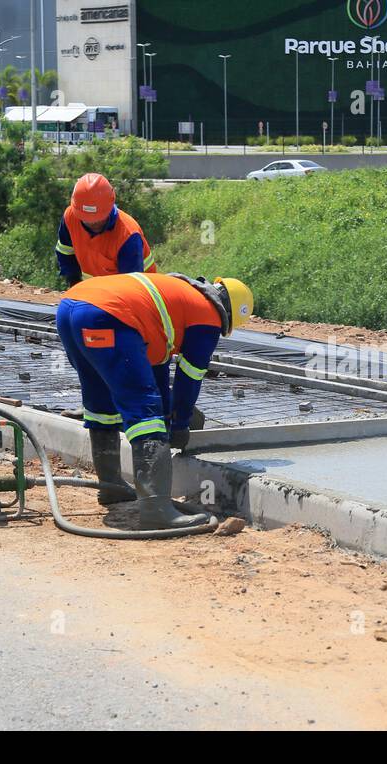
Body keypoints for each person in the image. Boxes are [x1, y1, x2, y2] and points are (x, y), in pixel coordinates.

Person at [56, 271, 254, 527]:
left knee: (100, 401)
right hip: (108, 316)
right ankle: (156, 509)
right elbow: (190, 376)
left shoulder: (178, 297)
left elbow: (158, 368)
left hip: (71, 309)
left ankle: (111, 486)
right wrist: (180, 423)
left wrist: (168, 412)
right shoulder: (208, 316)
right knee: (144, 410)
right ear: (229, 316)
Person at [56, 173, 157, 284]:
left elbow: (131, 287)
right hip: (95, 289)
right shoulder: (70, 217)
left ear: (109, 207)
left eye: (98, 219)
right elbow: (65, 253)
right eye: (86, 219)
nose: (92, 223)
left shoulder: (128, 235)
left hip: (137, 290)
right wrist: (74, 282)